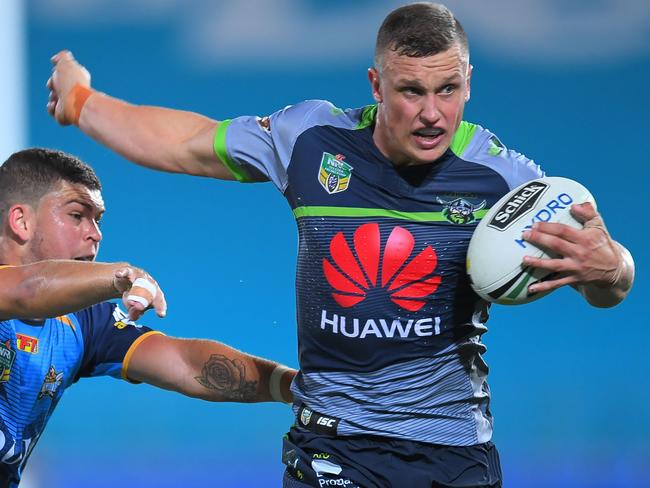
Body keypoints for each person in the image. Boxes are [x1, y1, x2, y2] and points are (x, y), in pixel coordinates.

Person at [46, 3, 635, 487]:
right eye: (411, 92)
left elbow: (607, 284)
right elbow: (186, 142)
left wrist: (611, 271)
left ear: (469, 82)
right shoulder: (312, 141)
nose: (432, 114)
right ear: (376, 84)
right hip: (336, 441)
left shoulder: (504, 180)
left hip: (457, 450)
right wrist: (83, 105)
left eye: (448, 90)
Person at [0, 148, 296, 488]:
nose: (95, 233)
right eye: (78, 215)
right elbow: (27, 290)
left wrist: (295, 387)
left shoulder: (84, 322)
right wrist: (120, 277)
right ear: (21, 221)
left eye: (98, 219)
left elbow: (187, 364)